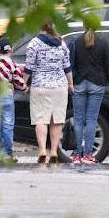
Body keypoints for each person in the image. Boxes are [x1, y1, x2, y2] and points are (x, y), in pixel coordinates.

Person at [24, 22, 73, 165]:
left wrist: (22, 83)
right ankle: (53, 151)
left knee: (41, 120)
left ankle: (42, 151)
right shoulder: (61, 43)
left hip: (40, 86)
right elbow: (67, 67)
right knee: (57, 120)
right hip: (59, 86)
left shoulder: (34, 43)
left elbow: (29, 68)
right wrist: (70, 84)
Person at [69, 24, 109, 164]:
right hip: (97, 83)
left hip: (79, 83)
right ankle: (88, 155)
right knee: (91, 120)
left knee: (78, 120)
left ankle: (77, 154)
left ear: (83, 25)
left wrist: (71, 82)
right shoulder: (103, 43)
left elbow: (71, 64)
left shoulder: (76, 42)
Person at [0, 36, 26, 163]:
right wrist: (24, 88)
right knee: (7, 125)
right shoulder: (11, 63)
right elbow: (18, 80)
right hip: (6, 96)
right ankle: (8, 154)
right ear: (10, 50)